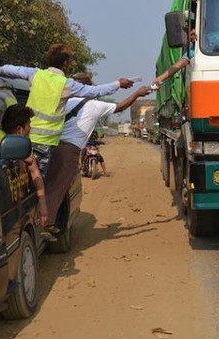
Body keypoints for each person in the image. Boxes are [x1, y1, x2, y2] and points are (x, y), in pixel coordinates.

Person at [0, 43, 133, 176]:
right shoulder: (67, 84)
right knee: (40, 180)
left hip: (25, 137)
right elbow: (96, 91)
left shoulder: (35, 74)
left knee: (22, 179)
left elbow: (7, 69)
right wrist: (118, 84)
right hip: (46, 143)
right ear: (66, 63)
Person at [43, 73, 152, 233]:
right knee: (58, 189)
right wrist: (137, 93)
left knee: (46, 185)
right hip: (69, 150)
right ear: (90, 88)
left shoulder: (62, 102)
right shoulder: (94, 105)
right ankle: (47, 225)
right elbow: (120, 107)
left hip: (49, 146)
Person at [0, 104, 54, 240]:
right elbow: (36, 173)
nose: (30, 129)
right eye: (28, 125)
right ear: (19, 129)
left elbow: (36, 174)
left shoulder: (23, 149)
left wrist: (42, 203)